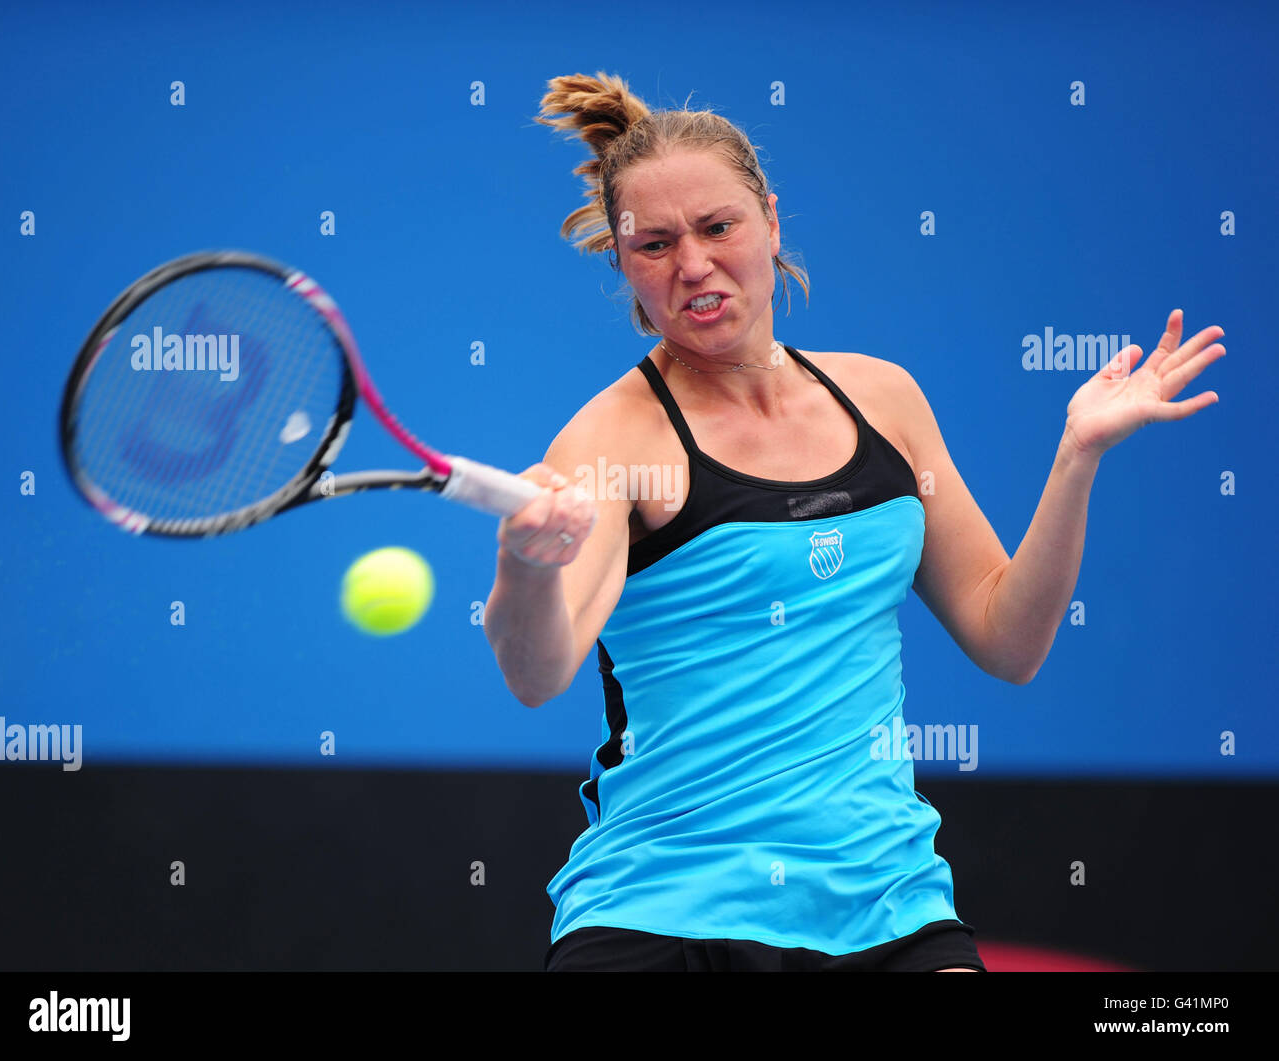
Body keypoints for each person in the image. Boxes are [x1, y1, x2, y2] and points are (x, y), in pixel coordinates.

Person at [483, 71, 1225, 973]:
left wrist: (1077, 457)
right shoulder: (608, 438)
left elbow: (1009, 639)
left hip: (890, 906)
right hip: (664, 914)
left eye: (719, 227)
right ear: (624, 265)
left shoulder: (885, 399)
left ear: (771, 223)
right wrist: (523, 567)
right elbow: (541, 669)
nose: (692, 265)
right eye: (655, 244)